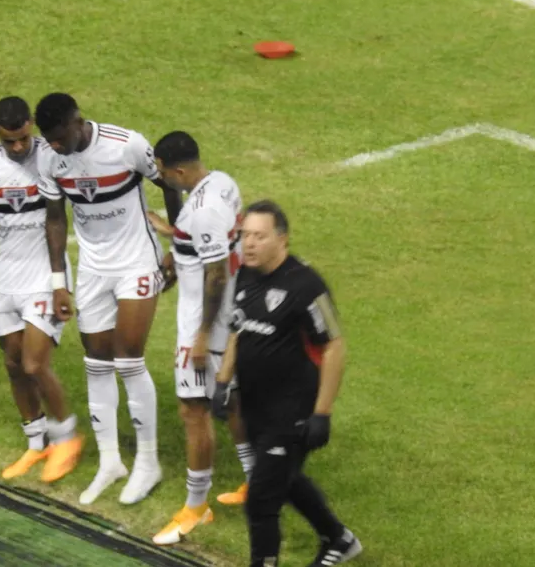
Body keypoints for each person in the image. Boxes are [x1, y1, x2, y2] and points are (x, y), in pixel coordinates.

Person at [34, 93, 182, 505]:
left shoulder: (126, 145)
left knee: (128, 358)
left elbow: (169, 182)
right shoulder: (49, 157)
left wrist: (177, 243)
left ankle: (148, 464)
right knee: (96, 361)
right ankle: (111, 461)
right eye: (50, 140)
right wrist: (58, 281)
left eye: (61, 137)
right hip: (94, 269)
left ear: (78, 122)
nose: (56, 146)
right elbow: (55, 216)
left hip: (137, 260)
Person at [213, 201, 363, 567]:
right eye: (244, 235)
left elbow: (334, 346)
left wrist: (322, 413)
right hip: (256, 405)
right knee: (287, 476)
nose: (248, 244)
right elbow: (239, 328)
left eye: (258, 236)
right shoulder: (246, 275)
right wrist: (223, 380)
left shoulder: (306, 286)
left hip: (292, 410)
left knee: (261, 500)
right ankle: (339, 540)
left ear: (282, 240)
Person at [0, 96, 83, 483]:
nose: (17, 148)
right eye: (8, 142)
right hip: (5, 279)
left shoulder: (54, 155)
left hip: (44, 276)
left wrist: (60, 283)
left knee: (35, 363)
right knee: (14, 364)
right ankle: (37, 444)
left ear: (32, 125)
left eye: (22, 139)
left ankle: (66, 437)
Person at [148, 131, 254, 545]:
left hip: (205, 326)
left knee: (194, 412)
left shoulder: (205, 208)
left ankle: (196, 507)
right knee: (236, 403)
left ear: (177, 170)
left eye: (160, 171)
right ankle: (257, 480)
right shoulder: (222, 183)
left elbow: (215, 273)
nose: (159, 176)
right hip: (233, 316)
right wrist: (176, 237)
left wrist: (202, 335)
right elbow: (214, 248)